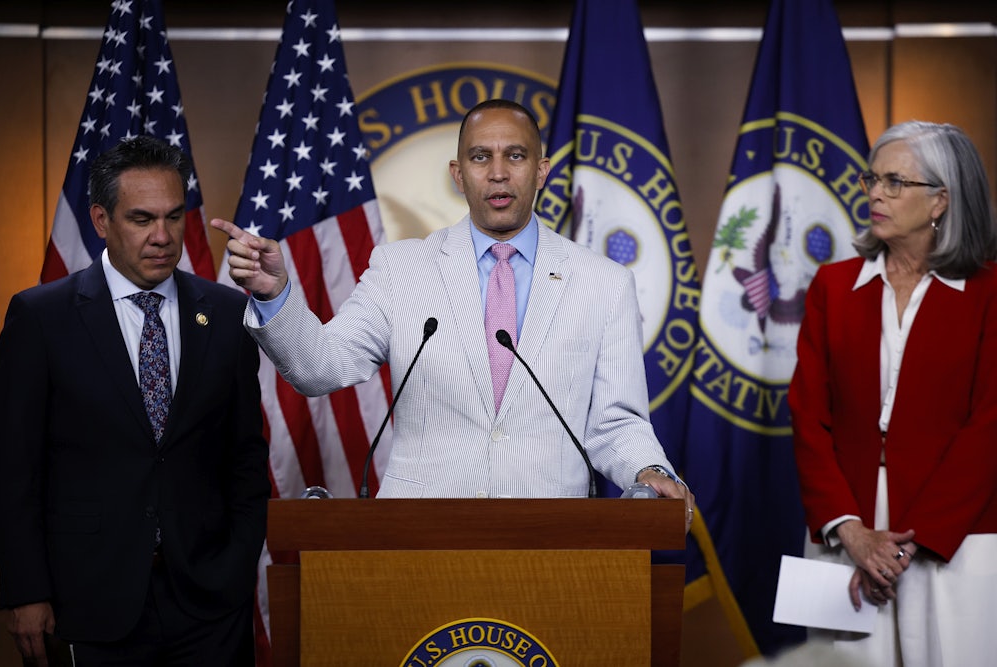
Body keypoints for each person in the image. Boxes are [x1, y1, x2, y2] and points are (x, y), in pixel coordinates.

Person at [212, 99, 693, 516]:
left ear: (541, 171)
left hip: (548, 537)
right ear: (458, 175)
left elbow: (616, 422)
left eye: (516, 155)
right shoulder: (401, 269)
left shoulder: (603, 283)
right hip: (421, 537)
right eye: (481, 157)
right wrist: (274, 293)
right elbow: (319, 368)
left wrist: (649, 469)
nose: (498, 172)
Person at [0, 136, 270, 666]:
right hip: (89, 599)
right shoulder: (42, 317)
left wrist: (236, 566)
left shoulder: (225, 312)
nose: (162, 237)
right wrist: (24, 590)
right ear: (101, 220)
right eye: (142, 219)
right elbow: (14, 470)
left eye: (174, 216)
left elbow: (245, 457)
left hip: (210, 602)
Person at [788, 120, 997, 666]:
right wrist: (851, 532)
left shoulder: (990, 293)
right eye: (872, 179)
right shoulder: (832, 286)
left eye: (895, 182)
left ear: (941, 200)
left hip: (956, 536)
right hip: (843, 532)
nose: (875, 194)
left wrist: (905, 546)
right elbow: (808, 416)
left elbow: (989, 426)